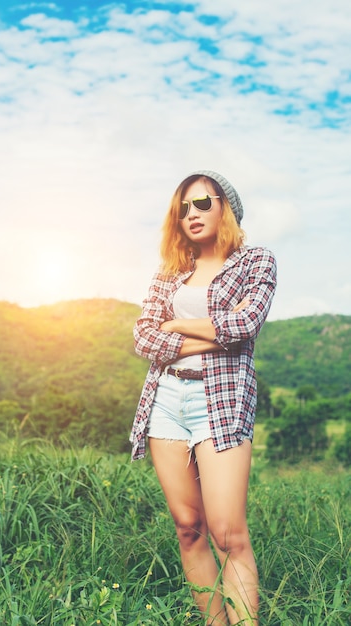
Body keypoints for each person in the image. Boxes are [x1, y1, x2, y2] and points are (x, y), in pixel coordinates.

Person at [130, 170, 277, 625]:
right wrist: (212, 333)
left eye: (202, 203)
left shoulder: (256, 261)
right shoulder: (171, 271)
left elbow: (246, 325)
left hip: (222, 399)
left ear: (225, 206)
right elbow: (144, 338)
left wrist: (176, 326)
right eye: (184, 207)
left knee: (227, 532)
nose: (191, 213)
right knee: (188, 528)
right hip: (165, 398)